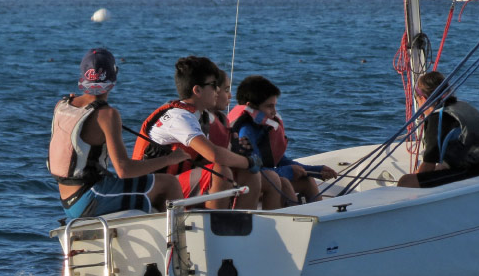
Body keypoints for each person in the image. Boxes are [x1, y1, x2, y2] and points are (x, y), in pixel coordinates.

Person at [48, 48, 187, 220]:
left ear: (82, 76)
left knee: (146, 185)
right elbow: (124, 170)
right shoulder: (107, 115)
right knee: (169, 183)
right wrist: (170, 159)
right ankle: (182, 243)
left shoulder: (61, 104)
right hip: (90, 198)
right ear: (115, 75)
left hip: (67, 201)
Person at [132, 56, 262, 209]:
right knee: (221, 171)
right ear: (197, 90)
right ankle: (216, 228)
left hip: (173, 182)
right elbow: (214, 155)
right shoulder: (178, 117)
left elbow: (205, 160)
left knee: (250, 174)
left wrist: (242, 162)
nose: (218, 90)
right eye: (214, 85)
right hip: (150, 190)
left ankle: (242, 227)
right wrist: (249, 161)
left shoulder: (199, 116)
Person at [229, 75, 338, 204]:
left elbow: (280, 159)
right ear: (251, 106)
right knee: (284, 183)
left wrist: (316, 171)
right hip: (244, 186)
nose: (274, 112)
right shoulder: (245, 131)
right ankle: (292, 220)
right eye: (269, 106)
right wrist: (288, 172)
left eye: (275, 106)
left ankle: (319, 214)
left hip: (264, 178)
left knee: (307, 181)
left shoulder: (263, 128)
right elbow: (253, 169)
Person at [397, 71, 479, 189]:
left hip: (478, 173)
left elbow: (428, 165)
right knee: (440, 168)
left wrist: (416, 180)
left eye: (417, 100)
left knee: (406, 181)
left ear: (423, 98)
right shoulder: (461, 106)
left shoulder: (437, 118)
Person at [201, 70, 287, 210]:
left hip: (228, 172)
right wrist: (249, 161)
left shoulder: (221, 120)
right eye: (226, 90)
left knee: (271, 179)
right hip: (212, 174)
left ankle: (247, 224)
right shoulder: (194, 120)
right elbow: (215, 155)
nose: (230, 95)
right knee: (272, 179)